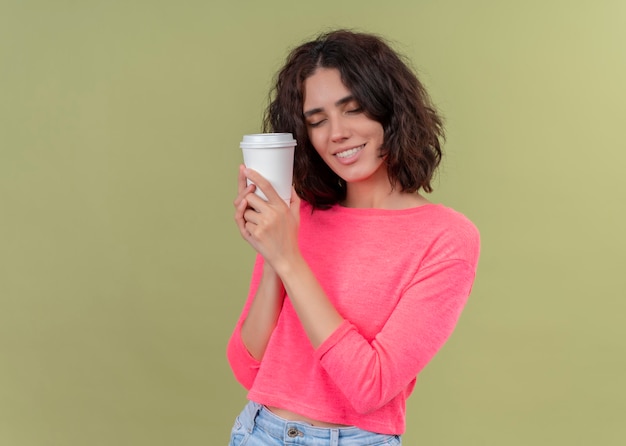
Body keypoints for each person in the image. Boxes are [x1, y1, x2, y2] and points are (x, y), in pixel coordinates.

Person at [227, 29, 480, 445]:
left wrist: (289, 259)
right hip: (258, 433)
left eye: (354, 109)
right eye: (317, 120)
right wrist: (273, 253)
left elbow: (370, 387)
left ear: (390, 110)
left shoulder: (446, 237)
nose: (336, 133)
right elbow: (247, 368)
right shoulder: (295, 215)